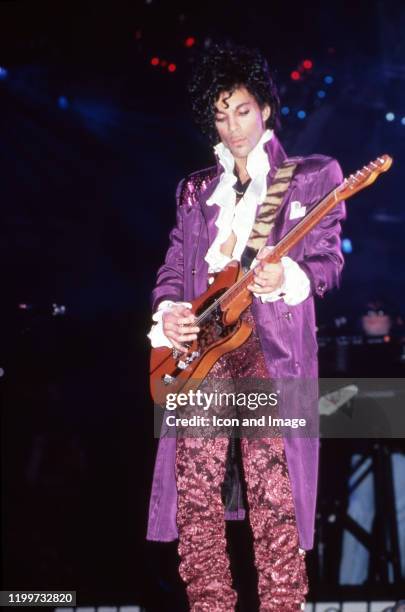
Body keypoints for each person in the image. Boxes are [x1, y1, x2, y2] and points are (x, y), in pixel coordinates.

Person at [146, 43, 346, 611]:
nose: (232, 126)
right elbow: (172, 267)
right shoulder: (193, 189)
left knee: (272, 489)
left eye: (241, 110)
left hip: (269, 345)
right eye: (219, 113)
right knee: (196, 493)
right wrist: (169, 313)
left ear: (265, 109)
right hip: (204, 350)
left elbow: (329, 262)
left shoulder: (310, 177)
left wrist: (289, 274)